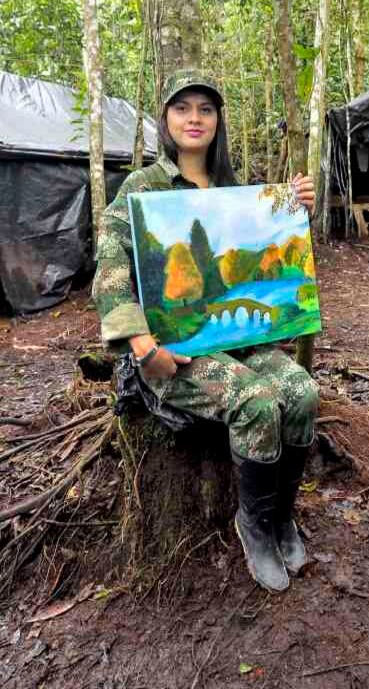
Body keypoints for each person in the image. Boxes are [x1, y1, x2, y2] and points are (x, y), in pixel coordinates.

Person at [94, 69, 319, 593]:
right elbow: (109, 269)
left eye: (206, 110)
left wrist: (296, 209)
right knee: (256, 401)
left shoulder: (235, 191)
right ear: (166, 120)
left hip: (240, 342)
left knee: (303, 391)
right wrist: (143, 347)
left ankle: (279, 516)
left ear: (218, 122)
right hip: (173, 351)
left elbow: (275, 266)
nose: (195, 119)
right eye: (182, 108)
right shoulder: (142, 188)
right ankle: (253, 527)